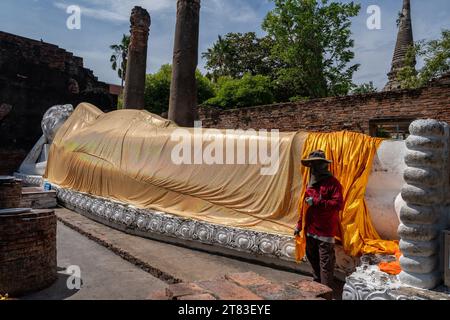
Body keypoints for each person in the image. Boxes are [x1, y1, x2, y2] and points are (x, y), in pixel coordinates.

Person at [294, 150, 343, 290]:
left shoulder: (332, 184)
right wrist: (299, 226)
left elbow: (338, 204)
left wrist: (317, 202)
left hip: (325, 232)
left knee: (325, 265)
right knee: (313, 262)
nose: (314, 168)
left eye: (316, 164)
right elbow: (304, 207)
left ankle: (326, 293)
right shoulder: (310, 184)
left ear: (323, 165)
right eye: (312, 164)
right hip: (310, 229)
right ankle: (316, 290)